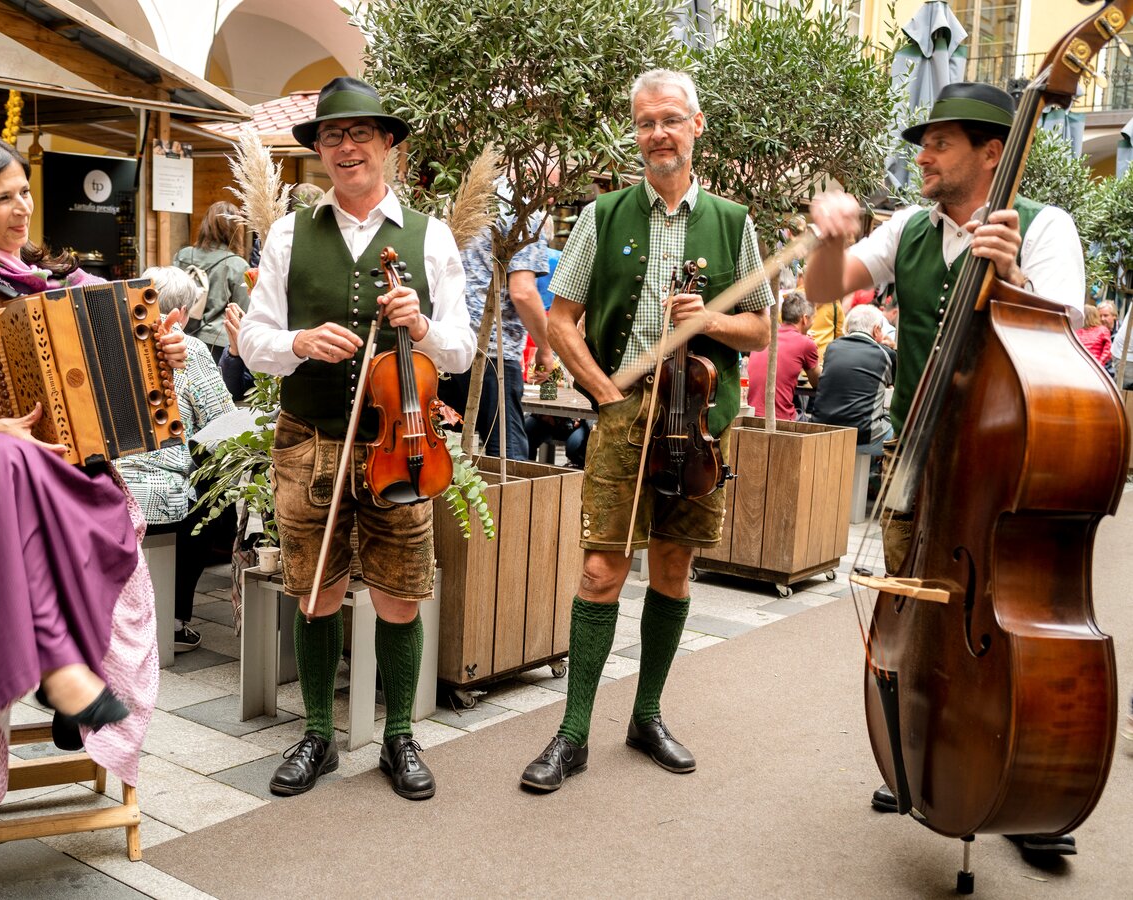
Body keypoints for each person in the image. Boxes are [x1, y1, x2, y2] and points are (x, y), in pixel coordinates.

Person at [806, 82, 1085, 857]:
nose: (922, 157)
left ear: (992, 152)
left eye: (939, 143)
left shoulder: (1045, 226)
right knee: (914, 610)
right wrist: (827, 239)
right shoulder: (908, 228)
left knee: (1010, 618)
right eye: (922, 144)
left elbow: (1068, 335)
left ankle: (1021, 788)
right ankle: (919, 756)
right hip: (917, 450)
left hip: (1009, 458)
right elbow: (823, 287)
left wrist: (1015, 276)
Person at [0, 133, 184, 823]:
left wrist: (164, 352)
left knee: (35, 465)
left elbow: (138, 370)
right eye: (1, 198)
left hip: (64, 485)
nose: (21, 208)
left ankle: (64, 674)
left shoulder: (67, 284)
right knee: (12, 458)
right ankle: (64, 674)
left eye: (24, 192)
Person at [521, 68, 773, 792]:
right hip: (624, 413)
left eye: (670, 120)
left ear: (697, 127)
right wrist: (603, 392)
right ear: (635, 133)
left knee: (673, 567)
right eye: (645, 122)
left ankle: (647, 715)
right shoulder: (602, 216)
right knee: (600, 571)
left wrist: (709, 320)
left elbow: (760, 327)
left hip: (699, 419)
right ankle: (572, 734)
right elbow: (560, 320)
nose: (658, 134)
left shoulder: (733, 222)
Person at [238, 77, 475, 800]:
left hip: (403, 442)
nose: (345, 147)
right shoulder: (288, 233)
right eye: (331, 136)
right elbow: (251, 341)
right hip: (309, 439)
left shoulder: (431, 236)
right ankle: (318, 734)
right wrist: (300, 342)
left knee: (401, 594)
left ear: (388, 144)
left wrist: (421, 326)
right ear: (319, 151)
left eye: (360, 134)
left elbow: (461, 350)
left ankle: (399, 736)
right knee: (315, 591)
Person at [115, 266, 237, 653]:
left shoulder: (112, 341)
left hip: (106, 482)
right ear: (181, 313)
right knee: (214, 496)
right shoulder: (187, 347)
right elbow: (223, 423)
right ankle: (173, 619)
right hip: (158, 495)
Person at [437, 211, 551, 459]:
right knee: (507, 455)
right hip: (492, 351)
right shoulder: (523, 211)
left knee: (443, 449)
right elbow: (522, 292)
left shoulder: (462, 204)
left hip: (447, 346)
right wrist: (546, 348)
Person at [174, 201, 252, 397]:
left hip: (181, 338)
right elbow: (243, 313)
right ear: (235, 229)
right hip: (218, 346)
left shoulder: (183, 256)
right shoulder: (237, 265)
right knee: (213, 398)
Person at [808, 304, 895, 449]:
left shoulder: (832, 347)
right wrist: (894, 348)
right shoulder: (886, 354)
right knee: (901, 434)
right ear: (876, 330)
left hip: (822, 431)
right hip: (863, 437)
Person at [745, 291, 819, 421]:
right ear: (805, 319)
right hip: (778, 418)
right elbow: (818, 383)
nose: (813, 322)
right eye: (813, 318)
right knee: (812, 419)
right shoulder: (806, 344)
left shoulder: (766, 335)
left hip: (750, 413)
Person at [1074, 304, 1113, 375]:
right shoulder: (1103, 330)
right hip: (1095, 367)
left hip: (1078, 366)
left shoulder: (1076, 331)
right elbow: (1107, 352)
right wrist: (1099, 365)